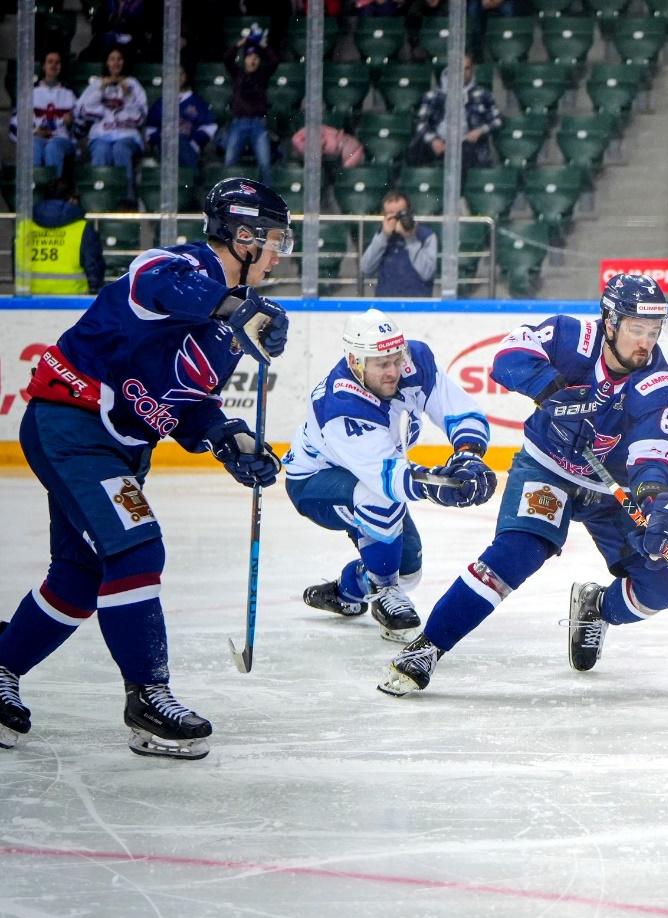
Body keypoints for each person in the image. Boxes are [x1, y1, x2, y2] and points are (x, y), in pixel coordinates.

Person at [0, 177, 293, 760]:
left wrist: (229, 438)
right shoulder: (178, 265)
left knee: (78, 580)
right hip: (72, 425)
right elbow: (155, 284)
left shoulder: (228, 334)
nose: (280, 251)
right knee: (136, 549)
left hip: (118, 447)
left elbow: (187, 401)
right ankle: (148, 698)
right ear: (243, 236)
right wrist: (232, 307)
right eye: (275, 238)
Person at [377, 274, 668, 696]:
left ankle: (596, 607)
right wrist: (556, 394)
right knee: (516, 553)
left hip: (608, 489)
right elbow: (506, 358)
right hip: (546, 469)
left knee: (664, 581)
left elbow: (653, 456)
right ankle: (428, 647)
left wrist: (653, 503)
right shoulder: (571, 336)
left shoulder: (656, 385)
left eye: (653, 332)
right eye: (637, 329)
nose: (646, 343)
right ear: (610, 322)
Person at [284, 309, 498, 642]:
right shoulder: (341, 404)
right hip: (315, 483)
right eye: (382, 364)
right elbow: (386, 477)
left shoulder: (414, 362)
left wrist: (468, 455)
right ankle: (384, 591)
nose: (394, 371)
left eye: (396, 360)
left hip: (371, 475)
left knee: (409, 571)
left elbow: (458, 409)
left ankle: (349, 591)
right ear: (356, 362)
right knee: (379, 500)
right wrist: (442, 486)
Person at [405, 52, 502, 172]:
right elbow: (421, 122)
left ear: (472, 70)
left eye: (467, 69)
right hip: (439, 142)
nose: (463, 73)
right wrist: (433, 140)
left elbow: (497, 120)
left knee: (467, 153)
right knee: (416, 148)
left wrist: (480, 131)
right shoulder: (432, 96)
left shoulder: (483, 95)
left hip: (466, 143)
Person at [75, 46, 148, 207]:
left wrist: (127, 94)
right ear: (107, 62)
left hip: (127, 135)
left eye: (119, 59)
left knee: (120, 149)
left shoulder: (133, 84)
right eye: (112, 59)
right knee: (101, 150)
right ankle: (100, 199)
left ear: (124, 62)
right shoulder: (97, 83)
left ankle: (127, 200)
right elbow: (83, 109)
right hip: (101, 135)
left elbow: (141, 116)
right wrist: (100, 89)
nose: (116, 63)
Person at [14, 176, 106, 295]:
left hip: (28, 298)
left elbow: (15, 264)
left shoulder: (24, 227)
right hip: (72, 299)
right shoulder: (82, 228)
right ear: (72, 200)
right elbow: (93, 266)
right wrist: (95, 292)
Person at [223, 23, 279, 184]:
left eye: (256, 58)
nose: (253, 60)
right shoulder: (237, 74)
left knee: (265, 164)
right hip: (239, 122)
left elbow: (274, 61)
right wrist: (241, 43)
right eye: (250, 57)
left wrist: (263, 45)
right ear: (245, 59)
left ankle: (266, 200)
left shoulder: (263, 75)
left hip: (258, 124)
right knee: (229, 162)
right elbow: (227, 58)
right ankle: (227, 197)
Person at [8, 51, 79, 172]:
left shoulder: (70, 93)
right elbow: (14, 124)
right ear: (43, 66)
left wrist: (71, 122)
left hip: (62, 139)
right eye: (50, 62)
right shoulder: (30, 92)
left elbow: (82, 125)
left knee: (53, 147)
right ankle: (34, 187)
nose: (53, 65)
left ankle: (55, 188)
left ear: (61, 67)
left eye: (57, 62)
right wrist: (35, 131)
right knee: (34, 146)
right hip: (36, 137)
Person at [360, 190, 438, 298]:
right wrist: (384, 236)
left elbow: (427, 273)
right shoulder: (381, 235)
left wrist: (410, 239)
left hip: (418, 305)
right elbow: (365, 268)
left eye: (401, 214)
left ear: (410, 212)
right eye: (391, 215)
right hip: (385, 304)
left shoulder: (426, 236)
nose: (396, 220)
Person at [144, 63, 217, 170]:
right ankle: (195, 180)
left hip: (189, 146)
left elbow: (210, 126)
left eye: (180, 74)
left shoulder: (197, 101)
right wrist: (161, 139)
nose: (177, 77)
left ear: (185, 76)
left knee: (179, 143)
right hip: (165, 149)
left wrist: (194, 141)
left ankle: (193, 179)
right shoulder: (161, 103)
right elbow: (150, 130)